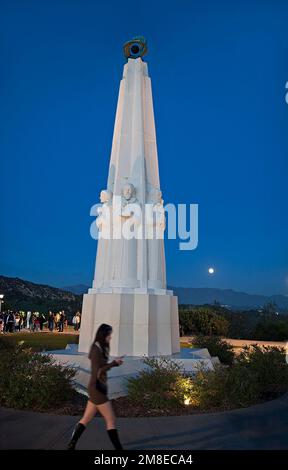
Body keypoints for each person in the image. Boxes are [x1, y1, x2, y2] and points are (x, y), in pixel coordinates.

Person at [67, 324, 124, 450]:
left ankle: (72, 444)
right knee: (111, 419)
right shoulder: (96, 350)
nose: (110, 337)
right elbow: (98, 371)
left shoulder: (100, 348)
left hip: (96, 388)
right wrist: (114, 364)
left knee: (86, 418)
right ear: (103, 335)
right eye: (109, 335)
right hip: (97, 389)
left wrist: (113, 363)